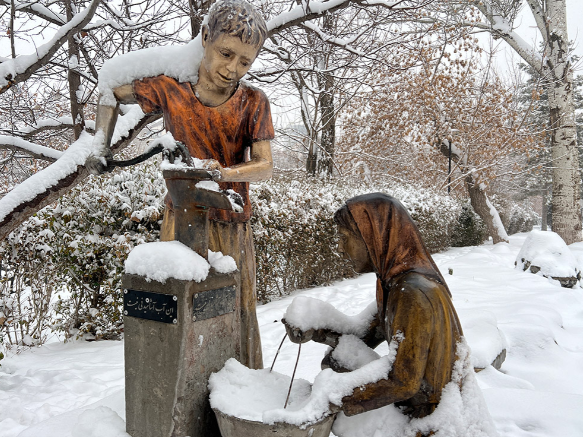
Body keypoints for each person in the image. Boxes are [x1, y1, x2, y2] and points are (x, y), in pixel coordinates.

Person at [90, 0, 273, 369]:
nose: (232, 68)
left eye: (244, 61)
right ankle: (175, 389)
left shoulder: (254, 101)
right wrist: (99, 147)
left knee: (235, 310)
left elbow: (264, 166)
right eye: (226, 53)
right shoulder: (171, 89)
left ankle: (240, 390)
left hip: (231, 225)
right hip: (180, 220)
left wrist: (220, 174)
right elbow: (109, 88)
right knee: (179, 308)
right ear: (205, 37)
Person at [285, 193, 464, 422]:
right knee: (336, 360)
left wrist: (330, 398)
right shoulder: (393, 284)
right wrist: (316, 328)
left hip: (429, 414)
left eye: (344, 237)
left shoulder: (413, 293)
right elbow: (364, 335)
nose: (340, 248)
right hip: (416, 401)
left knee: (336, 366)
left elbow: (403, 381)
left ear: (373, 236)